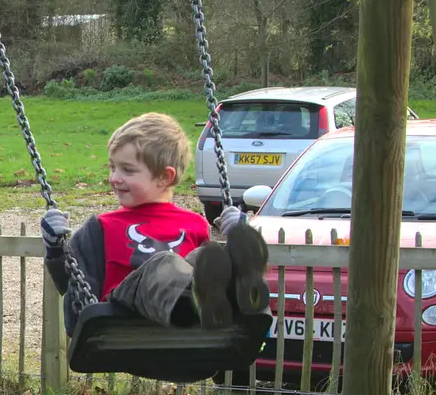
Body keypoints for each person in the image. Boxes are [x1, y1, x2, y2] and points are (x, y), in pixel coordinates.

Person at [41, 112, 269, 336]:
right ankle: (196, 302)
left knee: (204, 257)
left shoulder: (195, 224)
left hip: (185, 329)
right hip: (121, 323)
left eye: (127, 170)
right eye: (112, 167)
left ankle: (238, 301)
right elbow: (73, 287)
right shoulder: (100, 227)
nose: (114, 178)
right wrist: (56, 248)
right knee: (164, 263)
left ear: (164, 177)